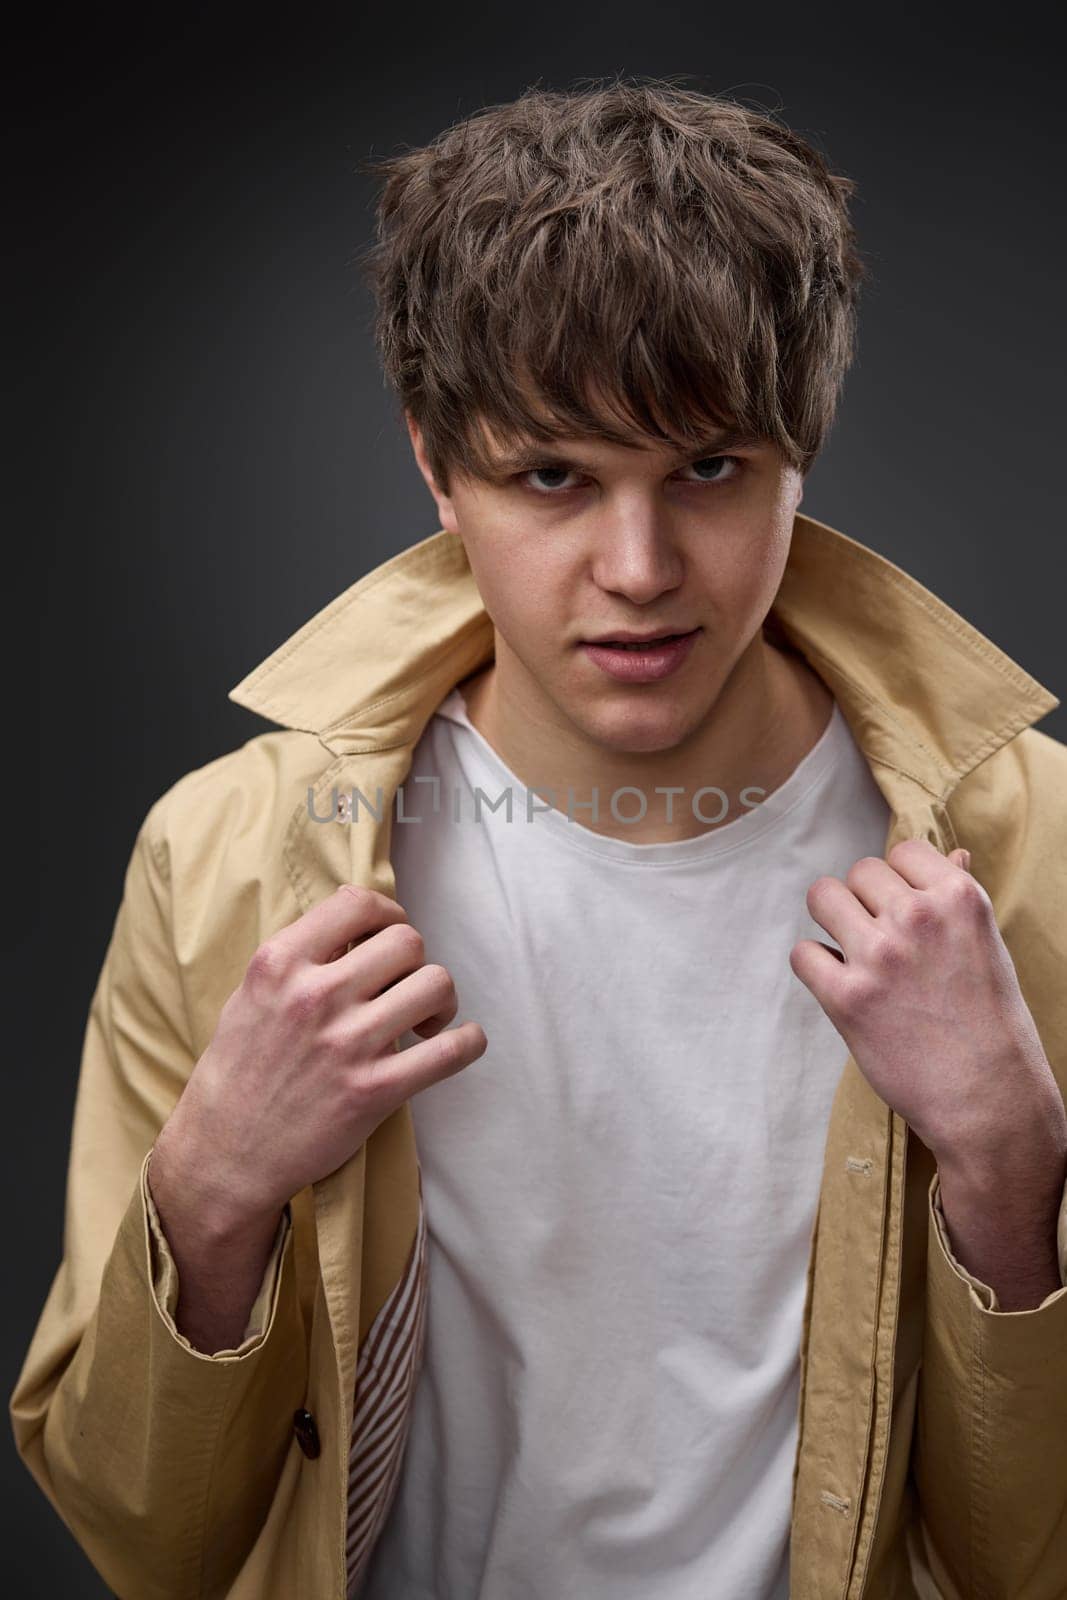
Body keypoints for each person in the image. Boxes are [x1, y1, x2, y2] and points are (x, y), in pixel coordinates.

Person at [10, 78, 1067, 1600]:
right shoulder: (230, 857)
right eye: (551, 477)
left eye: (708, 470)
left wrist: (1012, 1167)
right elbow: (139, 1537)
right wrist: (215, 1191)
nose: (637, 570)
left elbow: (1029, 1557)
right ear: (437, 465)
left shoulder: (1037, 853)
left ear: (804, 449)